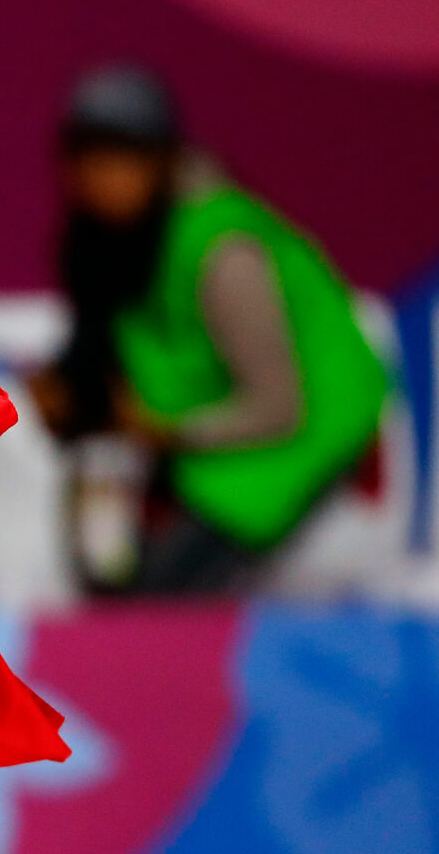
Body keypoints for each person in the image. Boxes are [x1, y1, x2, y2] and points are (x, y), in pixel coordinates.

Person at [33, 64, 387, 592]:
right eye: (86, 156)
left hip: (302, 435)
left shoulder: (225, 253)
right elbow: (113, 348)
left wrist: (166, 433)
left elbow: (279, 408)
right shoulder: (104, 241)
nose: (102, 176)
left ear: (163, 162)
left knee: (154, 598)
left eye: (123, 157)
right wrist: (67, 391)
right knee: (106, 572)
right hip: (196, 439)